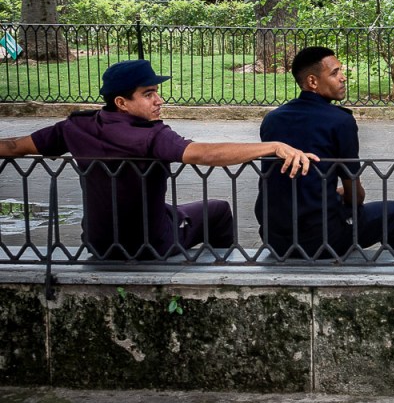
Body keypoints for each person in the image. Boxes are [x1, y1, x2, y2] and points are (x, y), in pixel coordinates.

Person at [0, 59, 315, 259]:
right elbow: (205, 154)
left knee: (173, 209)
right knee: (218, 210)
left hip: (98, 241)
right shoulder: (152, 135)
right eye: (149, 93)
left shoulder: (75, 126)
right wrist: (272, 146)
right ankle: (224, 270)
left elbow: (15, 147)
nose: (159, 99)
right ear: (122, 102)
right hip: (150, 244)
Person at [256, 47, 394, 258]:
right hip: (321, 240)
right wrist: (344, 194)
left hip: (275, 238)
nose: (343, 78)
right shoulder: (340, 121)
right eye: (335, 73)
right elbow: (355, 196)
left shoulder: (272, 119)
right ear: (312, 82)